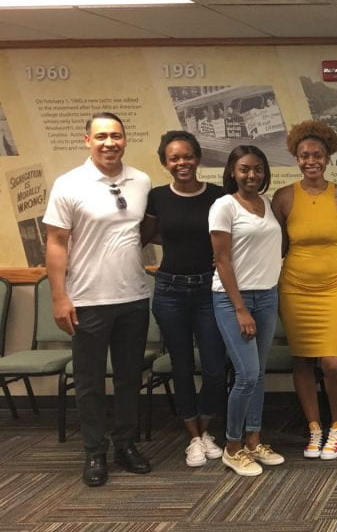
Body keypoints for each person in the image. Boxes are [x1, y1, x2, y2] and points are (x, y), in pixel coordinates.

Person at [44, 112, 153, 487]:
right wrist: (59, 296)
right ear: (86, 140)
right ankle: (94, 451)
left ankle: (126, 444)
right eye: (102, 136)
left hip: (135, 297)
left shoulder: (141, 180)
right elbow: (56, 243)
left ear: (125, 139)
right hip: (87, 300)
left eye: (117, 135)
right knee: (89, 382)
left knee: (128, 378)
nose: (110, 142)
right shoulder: (68, 184)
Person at [141, 131, 226, 468]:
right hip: (170, 291)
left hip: (209, 290)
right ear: (165, 163)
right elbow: (145, 236)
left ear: (198, 158)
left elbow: (230, 235)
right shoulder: (157, 197)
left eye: (187, 156)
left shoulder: (219, 195)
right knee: (181, 366)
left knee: (216, 369)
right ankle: (192, 437)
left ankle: (206, 430)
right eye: (174, 158)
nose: (182, 163)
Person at [271, 121, 337, 461]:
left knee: (333, 363)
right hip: (294, 289)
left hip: (334, 288)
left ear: (328, 156)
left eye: (317, 154)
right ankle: (314, 428)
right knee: (303, 361)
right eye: (304, 155)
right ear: (296, 157)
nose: (311, 161)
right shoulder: (284, 197)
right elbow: (275, 245)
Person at [210, 145, 284, 476]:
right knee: (246, 375)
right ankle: (232, 446)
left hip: (267, 296)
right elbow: (222, 260)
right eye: (244, 169)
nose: (251, 175)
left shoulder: (266, 204)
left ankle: (254, 441)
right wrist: (240, 309)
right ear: (231, 172)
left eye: (257, 169)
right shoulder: (223, 206)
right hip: (233, 300)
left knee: (258, 374)